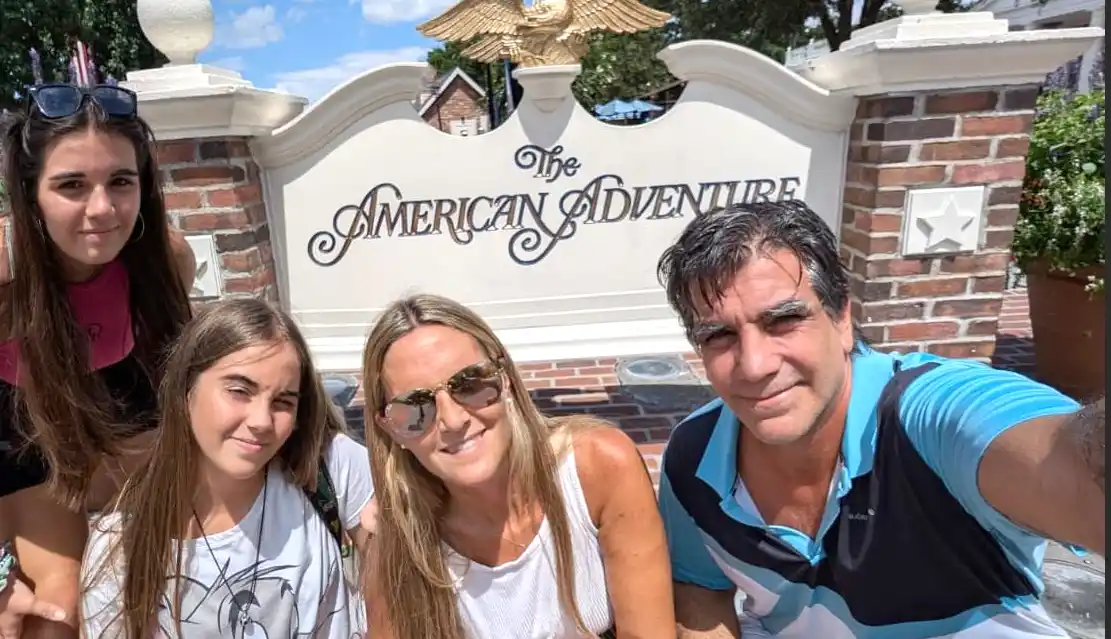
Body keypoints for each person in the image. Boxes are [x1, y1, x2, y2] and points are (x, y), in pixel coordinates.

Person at [654, 200, 1105, 638]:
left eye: (784, 320)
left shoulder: (928, 420)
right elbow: (701, 587)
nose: (754, 365)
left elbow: (1074, 467)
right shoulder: (696, 455)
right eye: (719, 334)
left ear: (843, 318)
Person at [360, 294, 674, 639]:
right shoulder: (398, 539)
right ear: (390, 429)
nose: (452, 420)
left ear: (505, 378)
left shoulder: (596, 467)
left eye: (469, 383)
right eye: (415, 407)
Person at [0, 82, 195, 638]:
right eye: (70, 185)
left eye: (121, 181)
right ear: (29, 192)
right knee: (56, 615)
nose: (102, 209)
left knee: (175, 588)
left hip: (119, 434)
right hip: (23, 449)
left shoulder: (165, 263)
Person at [80, 298, 376, 638]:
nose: (261, 421)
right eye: (239, 391)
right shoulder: (121, 546)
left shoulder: (328, 469)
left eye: (283, 401)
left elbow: (406, 583)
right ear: (185, 389)